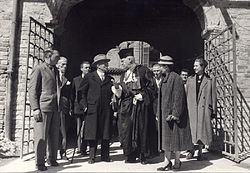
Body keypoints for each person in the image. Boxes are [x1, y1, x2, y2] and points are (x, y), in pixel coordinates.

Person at [113, 48, 157, 164]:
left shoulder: (143, 70)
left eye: (123, 61)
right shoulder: (123, 74)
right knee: (127, 130)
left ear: (130, 59)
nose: (121, 63)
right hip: (126, 107)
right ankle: (130, 155)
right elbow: (122, 92)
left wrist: (142, 95)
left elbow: (152, 87)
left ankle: (143, 155)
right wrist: (117, 89)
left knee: (141, 129)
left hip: (140, 107)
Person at [156, 55, 192, 171]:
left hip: (172, 116)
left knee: (176, 141)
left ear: (166, 67)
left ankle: (177, 161)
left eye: (161, 66)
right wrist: (158, 113)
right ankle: (167, 162)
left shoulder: (176, 78)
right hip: (164, 115)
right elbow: (161, 99)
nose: (159, 68)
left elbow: (179, 97)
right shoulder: (164, 78)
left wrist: (175, 114)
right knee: (166, 140)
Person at [28, 49, 60, 171]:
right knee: (41, 135)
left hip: (55, 107)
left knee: (54, 134)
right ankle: (39, 162)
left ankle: (52, 158)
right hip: (43, 107)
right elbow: (32, 90)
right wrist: (35, 108)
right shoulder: (39, 69)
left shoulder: (55, 70)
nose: (58, 59)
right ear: (48, 56)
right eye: (56, 57)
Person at [78, 54, 114, 164]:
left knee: (105, 131)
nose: (107, 65)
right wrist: (84, 106)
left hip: (106, 109)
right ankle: (92, 157)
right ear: (98, 65)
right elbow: (81, 93)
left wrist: (113, 100)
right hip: (92, 108)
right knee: (92, 132)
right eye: (104, 63)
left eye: (107, 63)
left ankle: (105, 156)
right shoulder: (89, 77)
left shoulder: (109, 79)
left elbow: (113, 93)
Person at [186, 58, 217, 160]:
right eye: (194, 66)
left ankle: (199, 152)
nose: (194, 68)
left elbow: (213, 96)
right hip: (192, 109)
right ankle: (190, 151)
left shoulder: (209, 80)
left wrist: (213, 111)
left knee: (201, 131)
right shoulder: (190, 79)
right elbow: (186, 95)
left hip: (203, 109)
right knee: (191, 130)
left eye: (196, 66)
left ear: (202, 67)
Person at [71, 61, 90, 155]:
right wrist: (71, 107)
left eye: (89, 67)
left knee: (87, 128)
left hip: (88, 106)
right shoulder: (76, 80)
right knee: (79, 128)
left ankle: (84, 148)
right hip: (78, 107)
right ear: (81, 69)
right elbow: (72, 94)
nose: (88, 69)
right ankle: (79, 147)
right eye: (86, 67)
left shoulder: (92, 78)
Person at [56, 56, 71, 160]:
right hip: (53, 106)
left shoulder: (66, 79)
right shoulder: (53, 76)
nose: (65, 67)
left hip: (63, 108)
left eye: (66, 64)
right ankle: (51, 153)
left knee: (63, 131)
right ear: (57, 65)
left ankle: (63, 152)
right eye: (63, 64)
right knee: (52, 131)